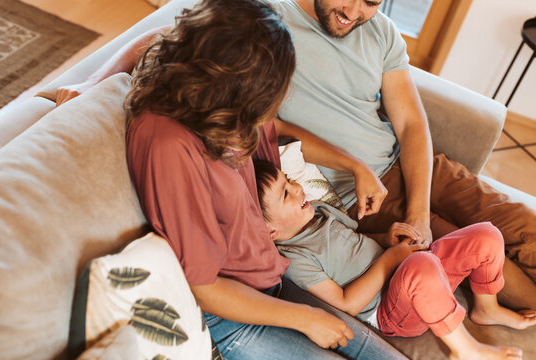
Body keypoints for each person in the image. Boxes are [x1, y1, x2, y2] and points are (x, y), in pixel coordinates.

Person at [94, 0, 406, 358]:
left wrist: (357, 167)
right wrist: (305, 318)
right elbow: (205, 286)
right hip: (234, 317)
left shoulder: (220, 107)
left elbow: (281, 129)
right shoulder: (168, 143)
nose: (276, 102)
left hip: (273, 278)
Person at [272, 0, 536, 286]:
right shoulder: (267, 22)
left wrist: (419, 213)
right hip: (360, 201)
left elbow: (410, 123)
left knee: (526, 226)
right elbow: (268, 128)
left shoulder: (381, 30)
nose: (352, 12)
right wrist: (358, 168)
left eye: (370, 2)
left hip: (411, 164)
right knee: (488, 260)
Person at [253, 158, 536, 360]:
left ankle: (486, 307)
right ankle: (465, 349)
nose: (298, 188)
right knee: (421, 265)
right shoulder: (295, 258)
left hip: (413, 271)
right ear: (270, 231)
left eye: (289, 180)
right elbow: (346, 304)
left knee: (486, 235)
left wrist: (385, 238)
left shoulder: (321, 211)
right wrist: (390, 259)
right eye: (286, 194)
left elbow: (358, 241)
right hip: (391, 310)